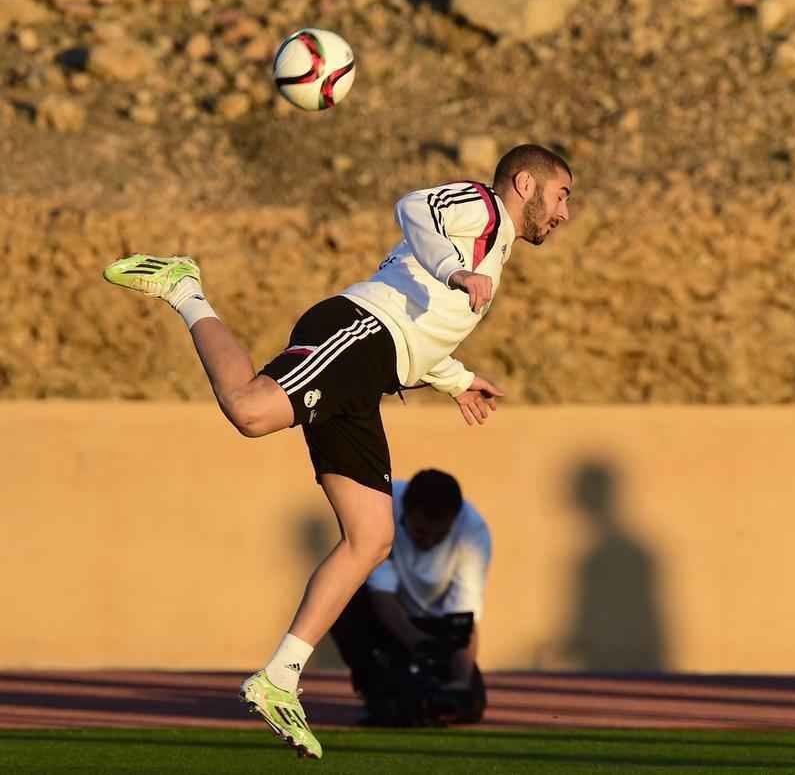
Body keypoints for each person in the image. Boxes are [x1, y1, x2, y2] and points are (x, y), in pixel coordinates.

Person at [101, 144, 572, 758]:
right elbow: (413, 208)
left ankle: (279, 678)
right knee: (249, 410)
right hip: (356, 332)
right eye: (562, 195)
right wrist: (455, 273)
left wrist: (457, 380)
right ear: (525, 183)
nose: (565, 212)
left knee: (372, 537)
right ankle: (185, 287)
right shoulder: (482, 205)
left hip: (374, 370)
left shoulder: (495, 248)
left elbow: (423, 326)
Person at [330, 469, 491, 727]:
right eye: (420, 532)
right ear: (404, 511)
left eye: (439, 536)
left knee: (468, 706)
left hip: (436, 625)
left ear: (455, 521)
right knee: (343, 605)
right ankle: (375, 691)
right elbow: (382, 596)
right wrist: (419, 649)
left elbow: (463, 619)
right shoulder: (381, 510)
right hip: (382, 617)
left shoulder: (474, 532)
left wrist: (459, 683)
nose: (428, 542)